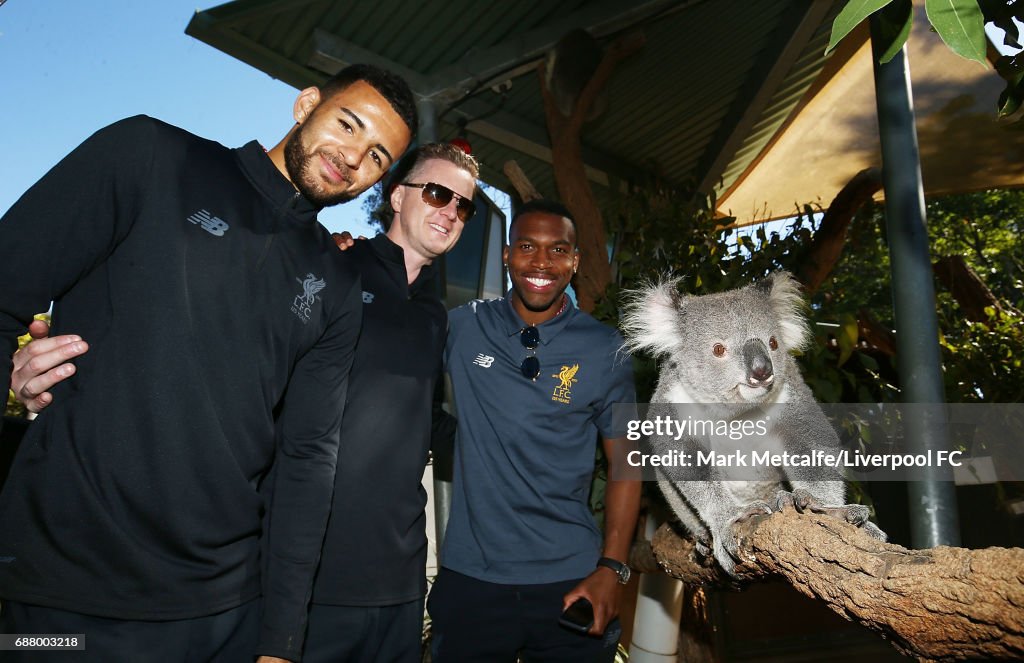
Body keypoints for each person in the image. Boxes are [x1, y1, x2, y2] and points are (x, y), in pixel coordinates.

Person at [0, 63, 415, 662]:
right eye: (348, 126)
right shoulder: (149, 155)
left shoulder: (337, 285)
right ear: (305, 105)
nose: (353, 158)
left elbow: (306, 462)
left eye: (376, 157)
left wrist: (281, 640)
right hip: (63, 598)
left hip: (220, 615)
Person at [429, 200, 641, 662]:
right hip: (473, 579)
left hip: (573, 579)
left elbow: (628, 463)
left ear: (575, 261)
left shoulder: (606, 349)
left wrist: (612, 568)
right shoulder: (463, 327)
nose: (541, 262)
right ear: (506, 256)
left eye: (557, 250)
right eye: (527, 247)